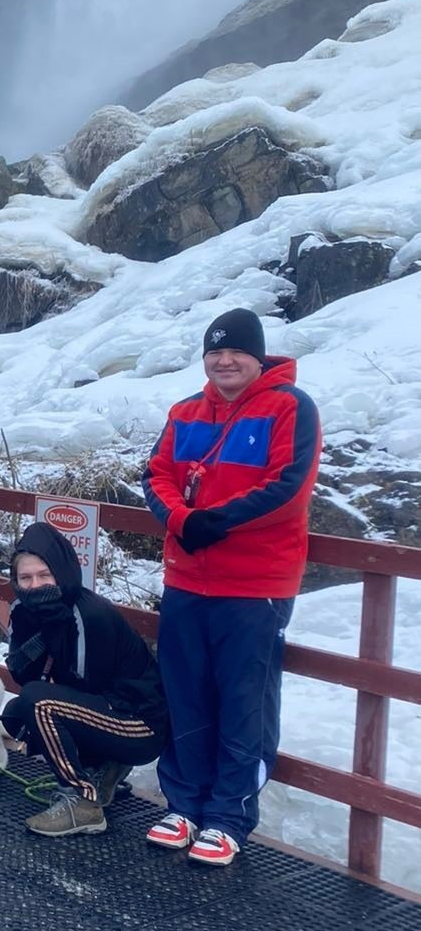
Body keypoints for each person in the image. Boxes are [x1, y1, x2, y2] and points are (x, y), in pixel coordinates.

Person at [142, 307, 321, 867]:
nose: (224, 360)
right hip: (187, 579)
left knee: (244, 698)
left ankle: (230, 814)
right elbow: (157, 474)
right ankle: (185, 804)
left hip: (254, 583)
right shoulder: (186, 411)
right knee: (186, 690)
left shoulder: (290, 407)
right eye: (215, 351)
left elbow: (287, 486)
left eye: (236, 351)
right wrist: (180, 520)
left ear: (257, 355)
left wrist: (210, 521)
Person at [1, 521, 168, 837]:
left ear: (61, 573)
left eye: (44, 575)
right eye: (26, 578)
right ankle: (103, 772)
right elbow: (22, 673)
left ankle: (83, 801)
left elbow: (87, 684)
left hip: (140, 722)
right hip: (102, 710)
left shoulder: (88, 614)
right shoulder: (23, 610)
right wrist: (39, 635)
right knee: (16, 714)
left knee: (39, 704)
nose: (35, 586)